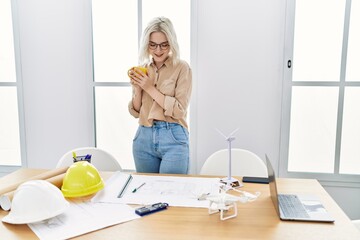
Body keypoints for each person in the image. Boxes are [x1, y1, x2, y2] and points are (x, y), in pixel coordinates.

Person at [128, 17, 192, 174]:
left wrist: (149, 87)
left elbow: (179, 110)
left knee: (172, 192)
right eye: (153, 45)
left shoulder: (182, 68)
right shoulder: (142, 69)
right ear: (146, 44)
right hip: (143, 136)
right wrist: (138, 89)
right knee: (146, 194)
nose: (158, 50)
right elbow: (135, 112)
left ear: (171, 43)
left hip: (173, 136)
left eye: (164, 45)